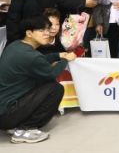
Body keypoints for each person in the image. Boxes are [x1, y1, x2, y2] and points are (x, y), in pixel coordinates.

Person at [0, 15, 76, 144]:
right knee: (55, 88)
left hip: (4, 110)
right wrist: (65, 60)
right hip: (8, 113)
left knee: (41, 81)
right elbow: (52, 73)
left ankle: (16, 125)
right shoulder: (31, 56)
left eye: (47, 29)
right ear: (29, 33)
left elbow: (38, 62)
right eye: (41, 30)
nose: (47, 33)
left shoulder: (15, 46)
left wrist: (57, 56)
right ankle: (25, 129)